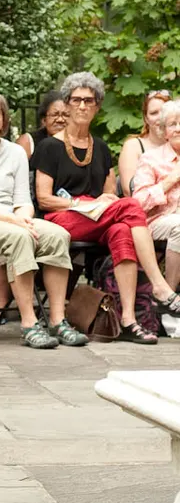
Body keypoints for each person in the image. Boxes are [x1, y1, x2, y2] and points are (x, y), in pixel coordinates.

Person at [31, 72, 180, 344]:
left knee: (123, 229)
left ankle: (128, 320)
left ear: (98, 105)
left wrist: (107, 200)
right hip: (63, 218)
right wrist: (80, 204)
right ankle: (160, 286)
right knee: (132, 208)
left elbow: (110, 189)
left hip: (99, 217)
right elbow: (43, 199)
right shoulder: (49, 147)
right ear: (66, 103)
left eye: (89, 100)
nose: (82, 106)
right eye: (76, 100)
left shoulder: (99, 147)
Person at [0, 90, 87, 349]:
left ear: (4, 119)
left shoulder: (15, 153)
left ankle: (57, 319)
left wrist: (22, 218)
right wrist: (13, 221)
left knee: (58, 235)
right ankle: (30, 323)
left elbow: (23, 201)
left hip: (10, 220)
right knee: (19, 237)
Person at [132, 98, 180, 294]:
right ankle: (168, 296)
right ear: (163, 131)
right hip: (158, 221)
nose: (178, 128)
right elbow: (138, 202)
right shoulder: (151, 159)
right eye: (172, 124)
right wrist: (170, 180)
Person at [117, 89, 171, 196]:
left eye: (164, 112)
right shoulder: (133, 146)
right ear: (146, 118)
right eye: (154, 113)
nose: (160, 118)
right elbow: (129, 191)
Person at [17, 90, 68, 159]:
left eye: (66, 115)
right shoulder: (28, 142)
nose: (60, 120)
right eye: (54, 115)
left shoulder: (81, 143)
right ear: (44, 120)